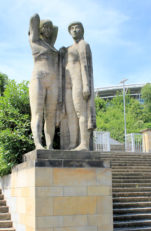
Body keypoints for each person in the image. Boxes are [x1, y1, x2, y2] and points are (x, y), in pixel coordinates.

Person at [64, 21, 96, 151]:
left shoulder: (84, 44)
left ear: (82, 30)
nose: (74, 30)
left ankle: (84, 144)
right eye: (72, 28)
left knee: (81, 112)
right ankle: (72, 143)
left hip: (79, 82)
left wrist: (86, 85)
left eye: (77, 28)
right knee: (71, 115)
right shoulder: (69, 49)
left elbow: (85, 65)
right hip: (68, 84)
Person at [28, 14, 58, 150]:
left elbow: (56, 29)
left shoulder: (51, 46)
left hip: (52, 81)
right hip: (38, 78)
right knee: (37, 113)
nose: (48, 30)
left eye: (49, 28)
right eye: (45, 27)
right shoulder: (34, 41)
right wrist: (40, 22)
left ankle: (50, 145)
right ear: (39, 29)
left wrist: (50, 25)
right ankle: (38, 144)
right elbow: (34, 18)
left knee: (50, 115)